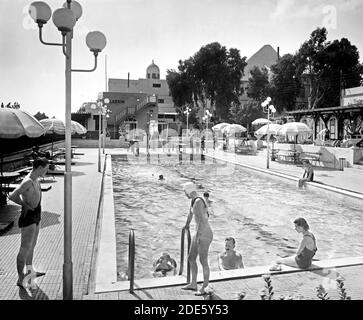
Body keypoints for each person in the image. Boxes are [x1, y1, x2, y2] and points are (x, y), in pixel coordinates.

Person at [8, 157, 49, 289]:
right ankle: (21, 279)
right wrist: (24, 205)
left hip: (36, 214)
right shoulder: (28, 181)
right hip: (29, 216)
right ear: (39, 167)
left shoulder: (36, 180)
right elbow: (12, 195)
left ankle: (30, 272)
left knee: (32, 245)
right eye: (46, 168)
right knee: (25, 248)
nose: (47, 171)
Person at [181, 182, 213, 295]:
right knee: (191, 257)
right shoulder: (193, 200)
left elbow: (201, 220)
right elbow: (190, 215)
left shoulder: (199, 201)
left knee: (203, 260)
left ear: (189, 190)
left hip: (204, 233)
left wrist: (199, 235)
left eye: (185, 191)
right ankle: (193, 283)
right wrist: (187, 225)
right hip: (198, 232)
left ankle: (204, 287)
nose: (184, 193)